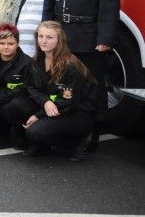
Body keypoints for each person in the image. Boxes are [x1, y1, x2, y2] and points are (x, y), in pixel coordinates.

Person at [48, 0, 119, 153]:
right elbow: (49, 6)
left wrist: (105, 39)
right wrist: (46, 35)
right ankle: (64, 131)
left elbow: (109, 7)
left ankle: (91, 133)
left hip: (89, 38)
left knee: (91, 88)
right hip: (62, 38)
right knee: (61, 85)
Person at [6, 21, 96, 160]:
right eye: (40, 36)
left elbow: (68, 102)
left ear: (59, 40)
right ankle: (41, 145)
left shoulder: (70, 65)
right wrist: (45, 102)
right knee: (15, 106)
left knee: (35, 131)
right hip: (53, 106)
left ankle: (75, 142)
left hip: (76, 112)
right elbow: (31, 87)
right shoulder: (37, 61)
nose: (43, 41)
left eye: (49, 37)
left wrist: (38, 116)